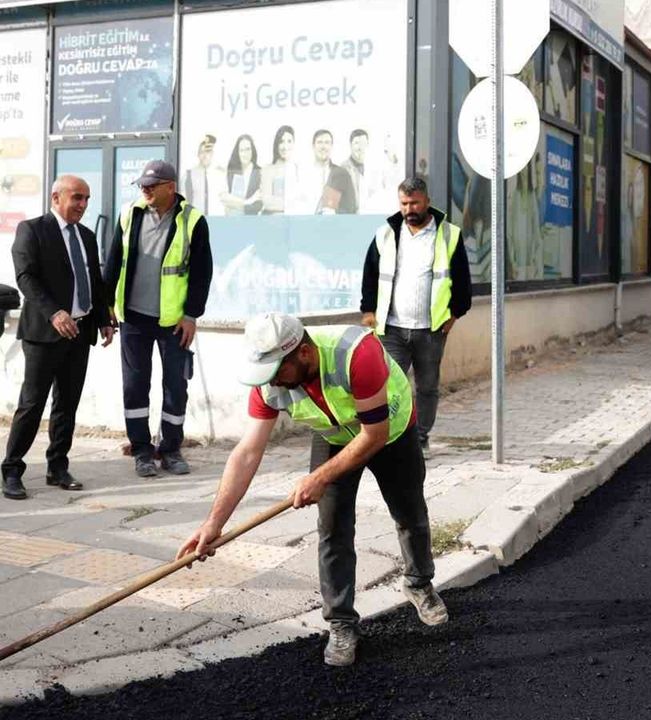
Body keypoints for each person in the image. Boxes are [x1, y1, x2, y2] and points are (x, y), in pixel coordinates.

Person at [177, 313, 447, 667]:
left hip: (390, 430)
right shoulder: (269, 381)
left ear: (303, 353)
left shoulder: (356, 353)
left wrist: (320, 477)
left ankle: (418, 583)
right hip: (334, 436)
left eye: (278, 371)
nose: (272, 380)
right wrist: (214, 523)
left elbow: (374, 436)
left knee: (409, 512)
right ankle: (341, 623)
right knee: (332, 528)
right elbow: (247, 452)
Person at [2, 176, 115, 500]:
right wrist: (54, 312)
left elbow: (94, 281)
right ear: (56, 197)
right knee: (32, 404)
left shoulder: (87, 237)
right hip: (43, 333)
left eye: (87, 199)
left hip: (79, 333)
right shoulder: (33, 230)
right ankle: (11, 469)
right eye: (76, 197)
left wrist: (104, 317)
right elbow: (26, 277)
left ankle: (58, 466)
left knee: (67, 403)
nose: (82, 205)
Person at [104, 160, 214, 477]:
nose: (145, 190)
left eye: (152, 185)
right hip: (134, 319)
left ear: (171, 187)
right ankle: (141, 450)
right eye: (142, 186)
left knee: (175, 387)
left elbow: (202, 274)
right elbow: (113, 262)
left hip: (174, 322)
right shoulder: (130, 214)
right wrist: (107, 305)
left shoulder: (193, 220)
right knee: (135, 386)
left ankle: (171, 450)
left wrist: (192, 314)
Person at [360, 176, 472, 454]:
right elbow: (371, 273)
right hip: (392, 329)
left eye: (414, 203)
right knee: (389, 386)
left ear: (427, 202)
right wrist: (368, 310)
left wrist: (454, 314)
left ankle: (420, 437)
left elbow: (462, 280)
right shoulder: (386, 233)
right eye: (404, 203)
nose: (409, 209)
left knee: (427, 387)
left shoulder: (448, 235)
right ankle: (393, 437)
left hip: (431, 329)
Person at [309, 129, 358, 215]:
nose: (323, 147)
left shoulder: (341, 174)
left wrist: (335, 213)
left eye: (327, 142)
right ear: (313, 146)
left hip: (333, 225)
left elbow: (351, 208)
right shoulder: (303, 174)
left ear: (332, 146)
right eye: (320, 142)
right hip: (305, 224)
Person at [261, 125, 302, 215]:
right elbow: (267, 201)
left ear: (294, 144)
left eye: (289, 141)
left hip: (295, 221)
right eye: (281, 142)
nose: (285, 146)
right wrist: (293, 203)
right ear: (276, 144)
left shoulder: (299, 169)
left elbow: (305, 200)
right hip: (274, 222)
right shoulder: (268, 169)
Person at [220, 134, 262, 216]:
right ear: (237, 152)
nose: (245, 153)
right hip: (232, 220)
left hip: (251, 221)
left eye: (248, 149)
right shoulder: (231, 171)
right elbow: (224, 199)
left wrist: (234, 203)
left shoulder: (259, 172)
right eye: (241, 150)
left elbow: (257, 205)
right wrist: (248, 201)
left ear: (252, 151)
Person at [181, 135, 222, 215]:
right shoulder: (188, 175)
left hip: (217, 221)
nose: (205, 156)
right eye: (202, 152)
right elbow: (183, 201)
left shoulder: (220, 175)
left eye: (207, 152)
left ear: (212, 154)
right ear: (198, 154)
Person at [342, 129, 369, 214]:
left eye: (363, 143)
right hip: (350, 218)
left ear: (367, 144)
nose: (360, 147)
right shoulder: (342, 169)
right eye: (356, 143)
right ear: (350, 145)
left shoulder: (374, 168)